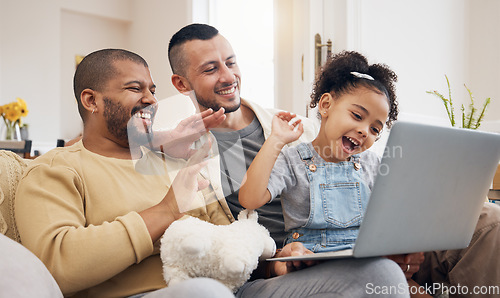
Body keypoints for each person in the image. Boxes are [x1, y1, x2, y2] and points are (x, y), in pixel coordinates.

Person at [168, 23, 500, 297]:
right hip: (291, 259)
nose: (228, 76)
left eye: (231, 61)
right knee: (382, 274)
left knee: (487, 221)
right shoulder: (184, 153)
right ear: (181, 83)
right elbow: (221, 234)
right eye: (211, 69)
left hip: (363, 247)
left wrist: (406, 241)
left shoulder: (304, 125)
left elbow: (382, 194)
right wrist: (276, 260)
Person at [15, 48, 235, 297]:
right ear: (91, 101)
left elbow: (228, 240)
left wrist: (274, 264)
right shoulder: (54, 171)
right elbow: (57, 265)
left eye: (152, 90)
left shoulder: (174, 160)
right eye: (134, 88)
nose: (151, 100)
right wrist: (167, 210)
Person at [239, 51, 398, 254]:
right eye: (357, 115)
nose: (364, 131)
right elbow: (249, 199)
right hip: (309, 255)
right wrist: (276, 140)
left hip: (360, 253)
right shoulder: (293, 160)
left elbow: (390, 217)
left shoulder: (371, 163)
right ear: (326, 105)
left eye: (375, 129)